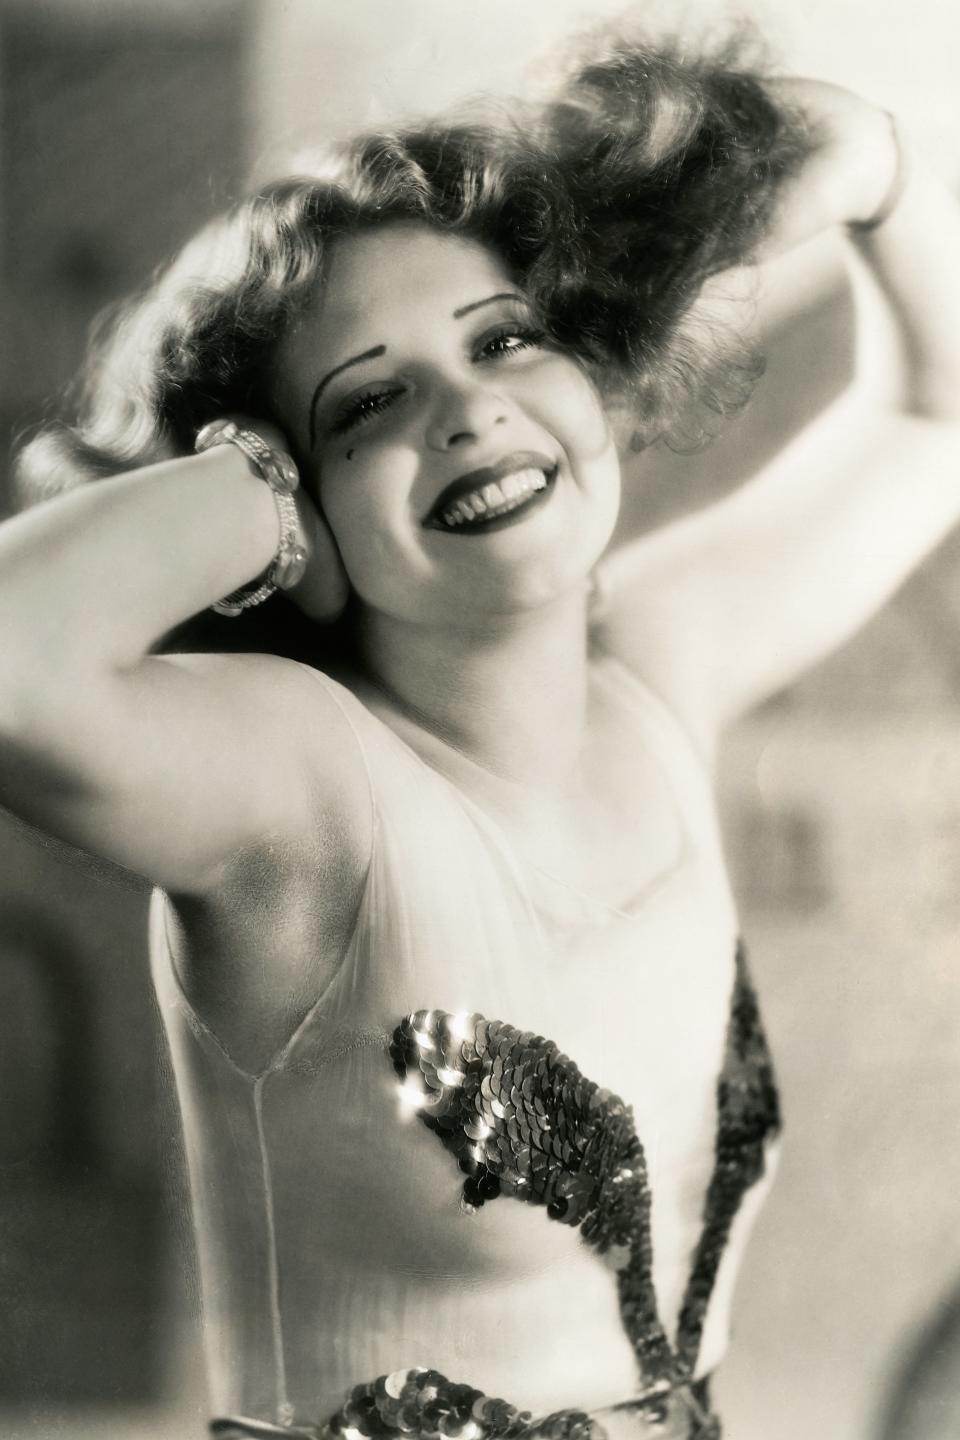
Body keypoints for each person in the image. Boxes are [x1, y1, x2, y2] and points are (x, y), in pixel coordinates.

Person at [2, 30, 959, 1440]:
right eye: (367, 404)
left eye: (507, 337)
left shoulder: (656, 666)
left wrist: (874, 165)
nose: (469, 410)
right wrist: (256, 496)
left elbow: (929, 423)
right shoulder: (302, 780)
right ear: (299, 509)